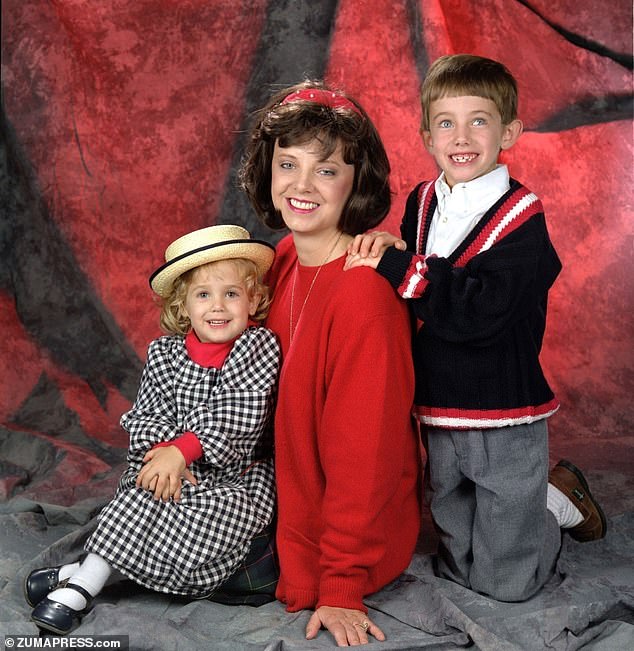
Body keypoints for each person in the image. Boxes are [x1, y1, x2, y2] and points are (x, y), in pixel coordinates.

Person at [345, 53, 606, 603]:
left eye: (479, 121)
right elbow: (418, 279)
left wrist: (403, 268)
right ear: (426, 134)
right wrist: (395, 250)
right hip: (438, 396)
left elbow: (478, 312)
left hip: (501, 404)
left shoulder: (523, 219)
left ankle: (555, 500)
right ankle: (509, 529)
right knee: (451, 519)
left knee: (506, 577)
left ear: (508, 130)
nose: (461, 137)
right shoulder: (421, 202)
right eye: (446, 123)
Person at [26, 225, 281, 635]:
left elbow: (240, 411)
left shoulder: (257, 346)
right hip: (167, 466)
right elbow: (148, 413)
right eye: (203, 295)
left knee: (190, 520)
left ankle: (81, 574)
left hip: (235, 479)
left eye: (231, 293)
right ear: (183, 305)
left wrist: (183, 451)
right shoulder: (165, 353)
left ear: (252, 298)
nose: (218, 306)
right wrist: (164, 455)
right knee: (143, 494)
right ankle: (82, 590)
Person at [239, 81, 421, 646]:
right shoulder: (287, 258)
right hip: (278, 496)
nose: (300, 185)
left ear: (355, 183)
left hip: (344, 537)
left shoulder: (365, 298)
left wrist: (341, 584)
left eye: (326, 170)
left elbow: (365, 457)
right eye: (287, 163)